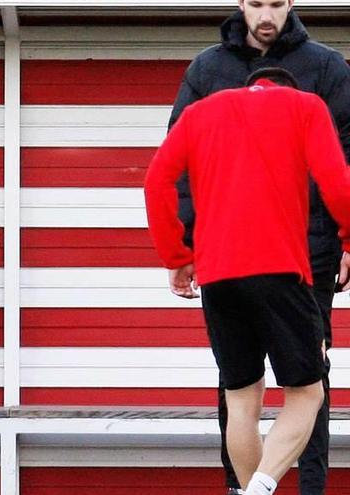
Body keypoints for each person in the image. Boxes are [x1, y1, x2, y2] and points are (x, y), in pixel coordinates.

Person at [169, 2, 350, 493]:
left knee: (304, 372)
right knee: (253, 384)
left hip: (308, 247)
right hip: (228, 246)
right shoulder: (209, 70)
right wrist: (188, 243)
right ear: (241, 4)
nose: (265, 13)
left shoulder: (326, 68)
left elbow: (346, 158)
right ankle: (245, 486)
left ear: (290, 4)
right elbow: (178, 169)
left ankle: (309, 486)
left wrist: (345, 238)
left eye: (275, 2)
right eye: (256, 2)